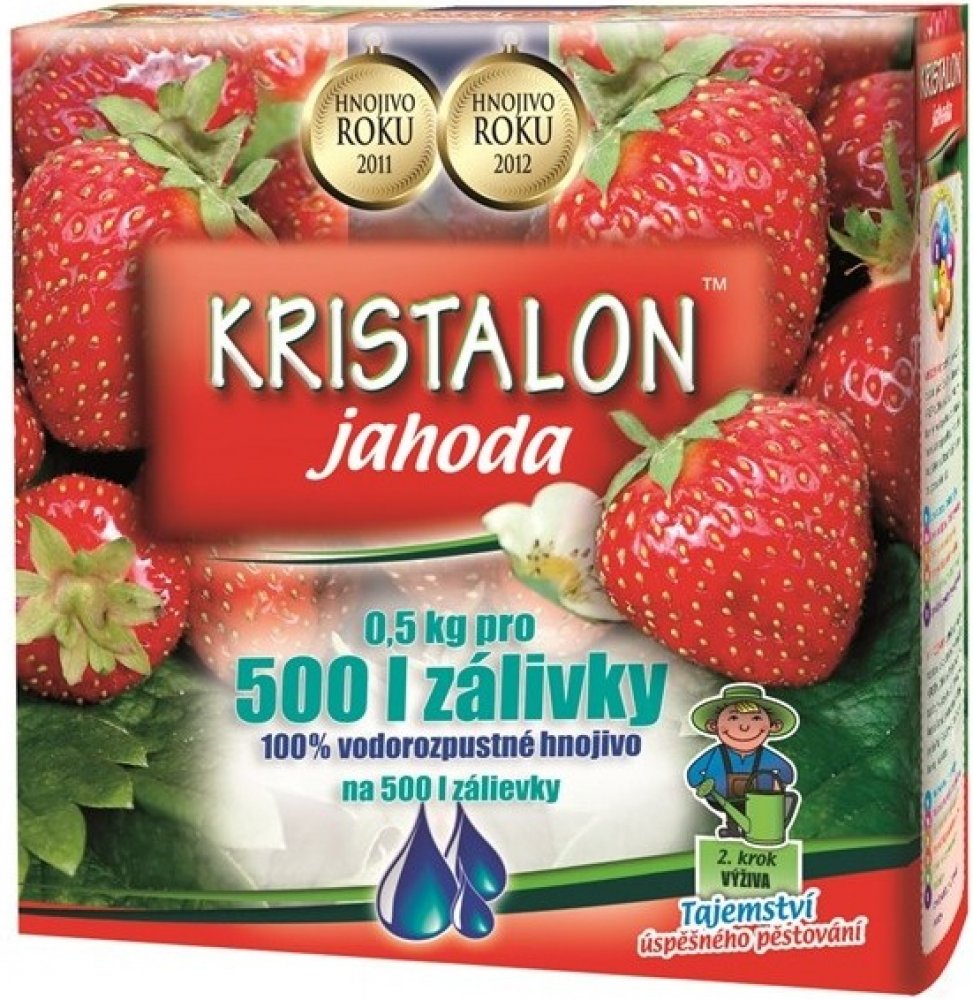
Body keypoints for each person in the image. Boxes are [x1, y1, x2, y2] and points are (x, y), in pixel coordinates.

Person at [686, 683, 799, 839]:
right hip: (722, 798)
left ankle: (755, 831)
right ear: (713, 726)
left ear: (773, 727)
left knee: (756, 816)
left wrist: (780, 783)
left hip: (759, 800)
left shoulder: (766, 756)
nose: (744, 726)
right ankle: (733, 829)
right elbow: (694, 772)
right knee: (731, 810)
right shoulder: (716, 754)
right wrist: (701, 784)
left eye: (756, 718)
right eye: (733, 718)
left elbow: (787, 773)